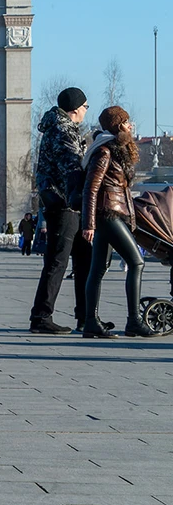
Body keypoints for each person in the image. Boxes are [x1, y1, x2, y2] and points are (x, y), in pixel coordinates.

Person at [81, 107, 157, 338]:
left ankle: (91, 322)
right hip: (108, 214)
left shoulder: (116, 149)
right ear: (117, 125)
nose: (130, 125)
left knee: (98, 269)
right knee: (136, 262)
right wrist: (88, 224)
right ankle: (133, 321)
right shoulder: (105, 152)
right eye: (126, 122)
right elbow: (90, 189)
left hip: (112, 213)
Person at [29, 87, 95, 334]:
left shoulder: (59, 128)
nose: (86, 112)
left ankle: (86, 315)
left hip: (67, 204)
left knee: (83, 260)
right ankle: (41, 317)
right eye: (86, 107)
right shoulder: (62, 130)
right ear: (76, 109)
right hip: (64, 204)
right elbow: (72, 167)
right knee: (58, 261)